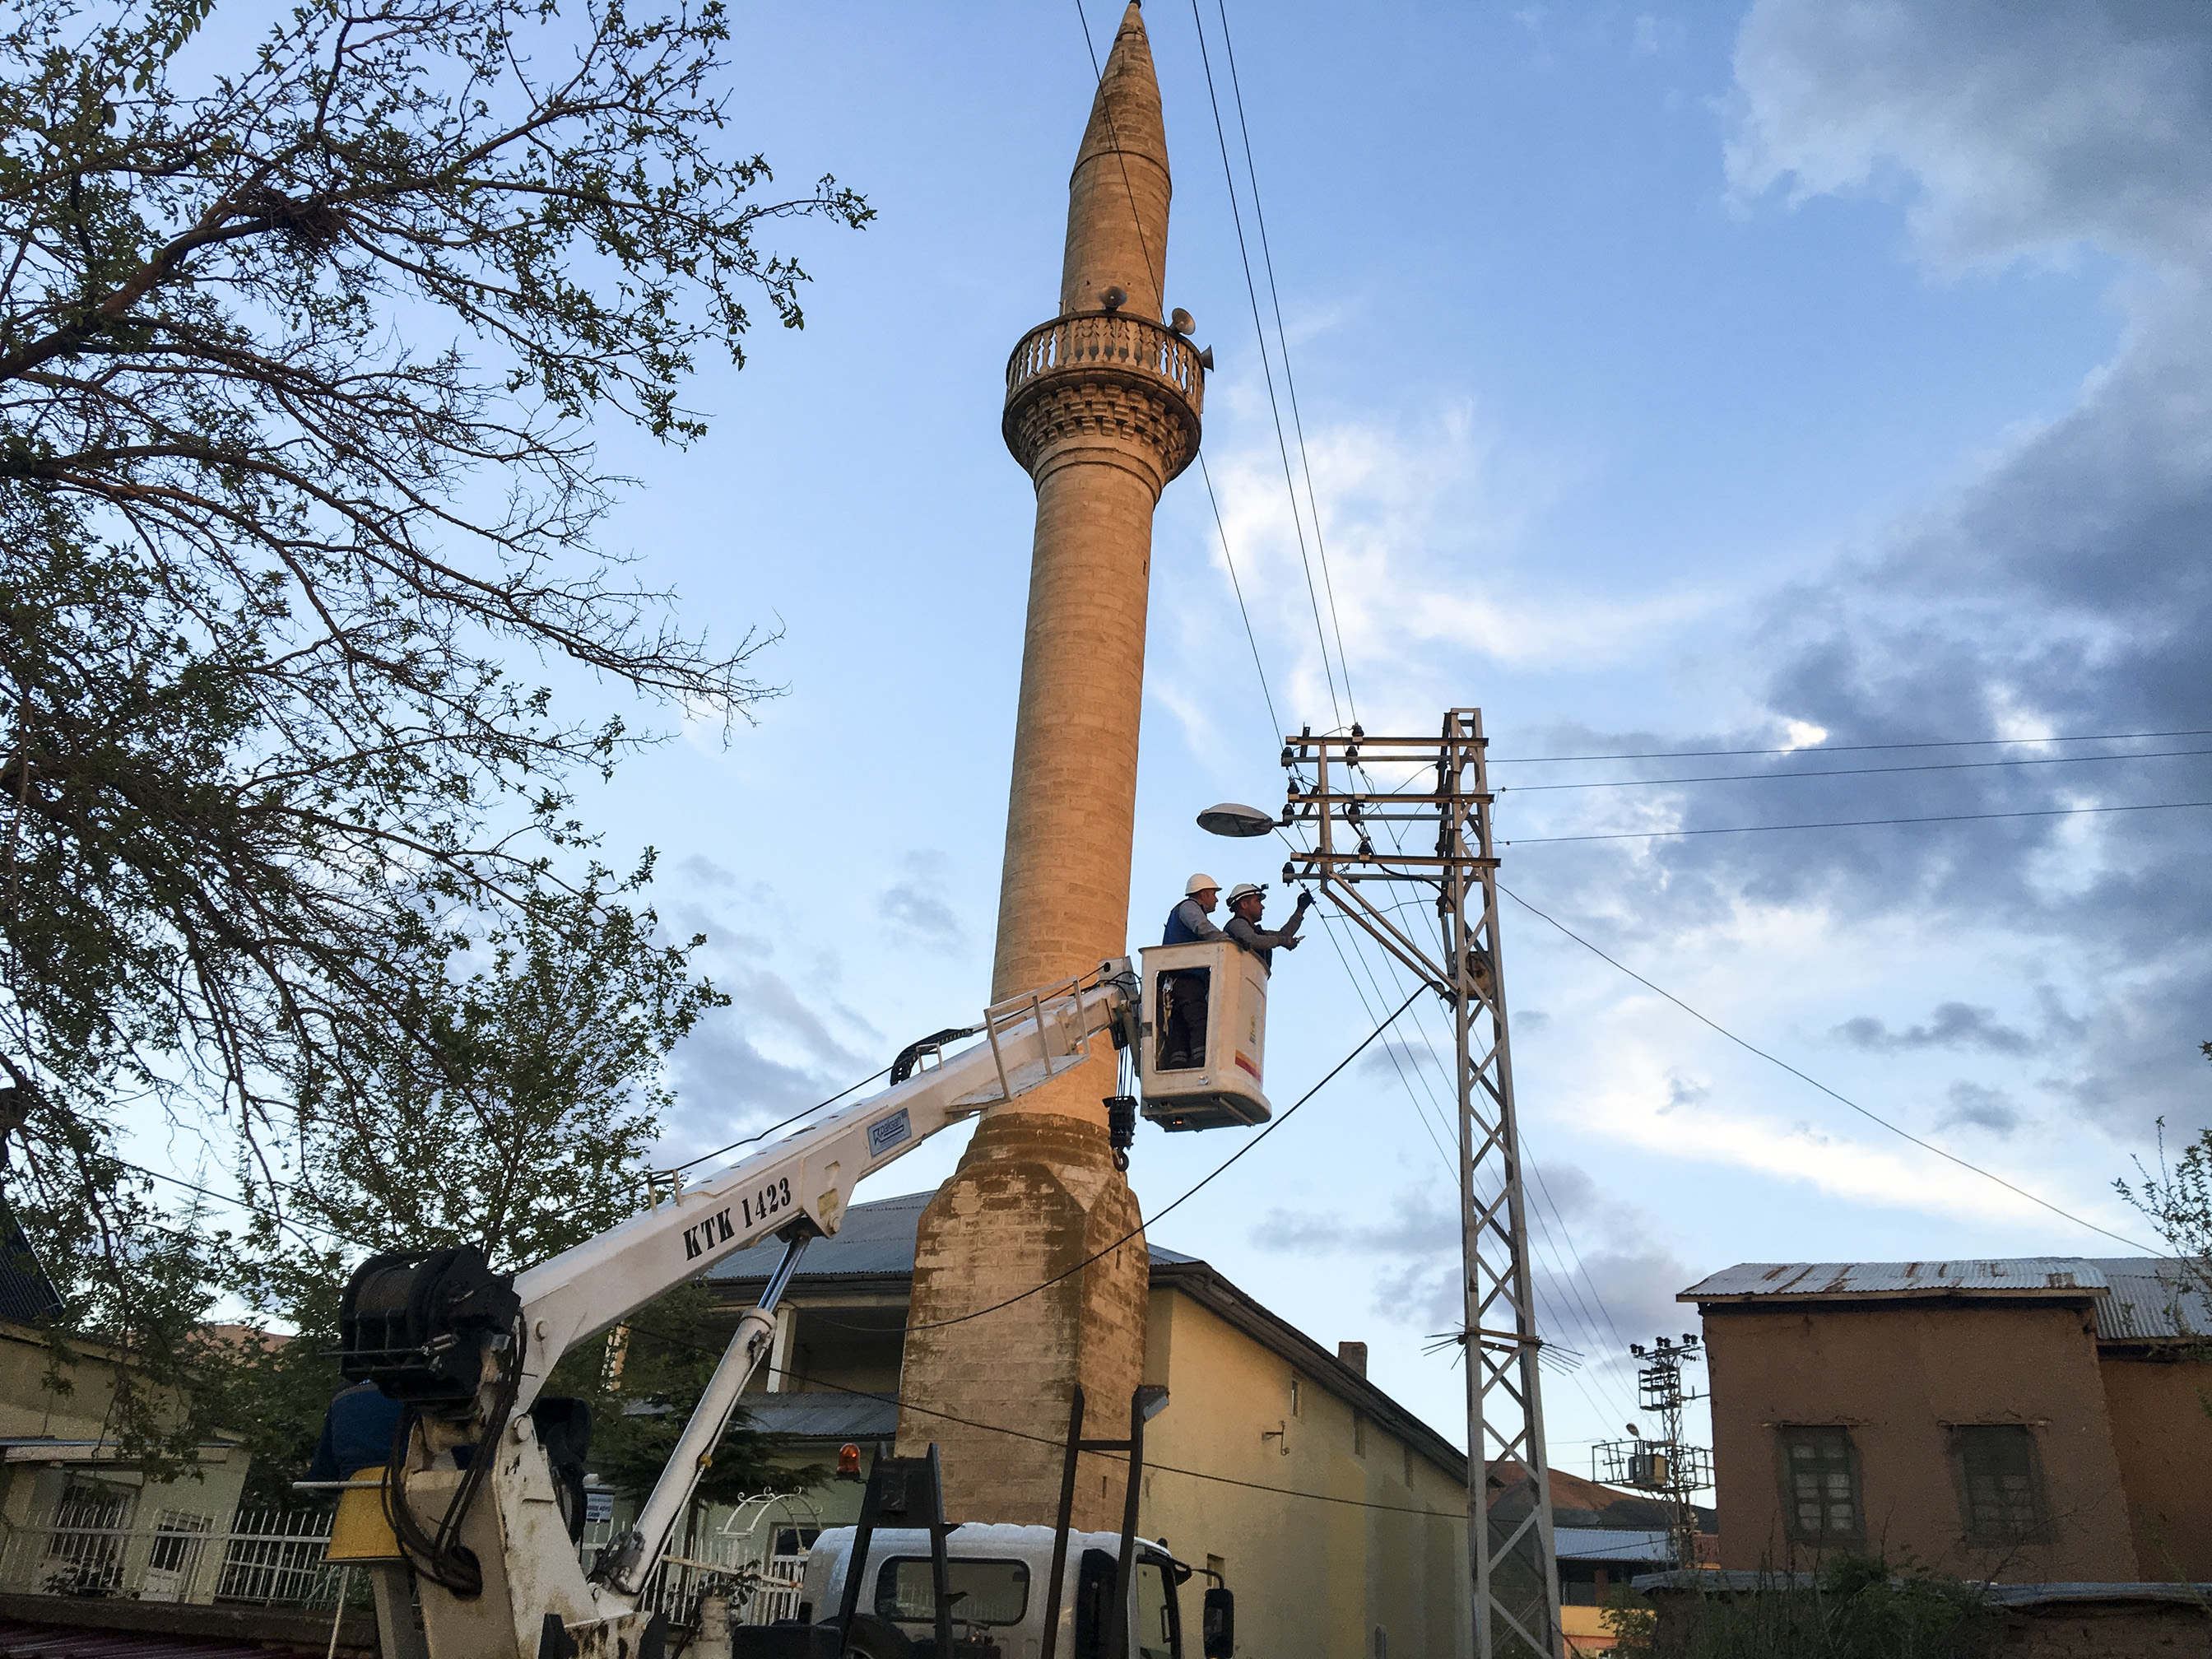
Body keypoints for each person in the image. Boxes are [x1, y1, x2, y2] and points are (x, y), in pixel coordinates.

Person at [1159, 874, 1223, 1067]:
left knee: (1179, 1024)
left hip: (1175, 980)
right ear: (1203, 894)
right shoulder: (1189, 907)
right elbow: (1203, 928)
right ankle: (1199, 1062)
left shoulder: (1179, 911)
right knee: (1198, 1019)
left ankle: (1178, 1064)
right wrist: (1229, 942)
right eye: (1213, 894)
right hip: (1187, 978)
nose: (1217, 899)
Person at [1222, 881, 1311, 973]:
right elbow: (1253, 940)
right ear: (1244, 904)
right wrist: (1282, 941)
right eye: (1258, 901)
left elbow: (1284, 934)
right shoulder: (1237, 924)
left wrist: (1300, 910)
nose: (1262, 907)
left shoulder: (1257, 932)